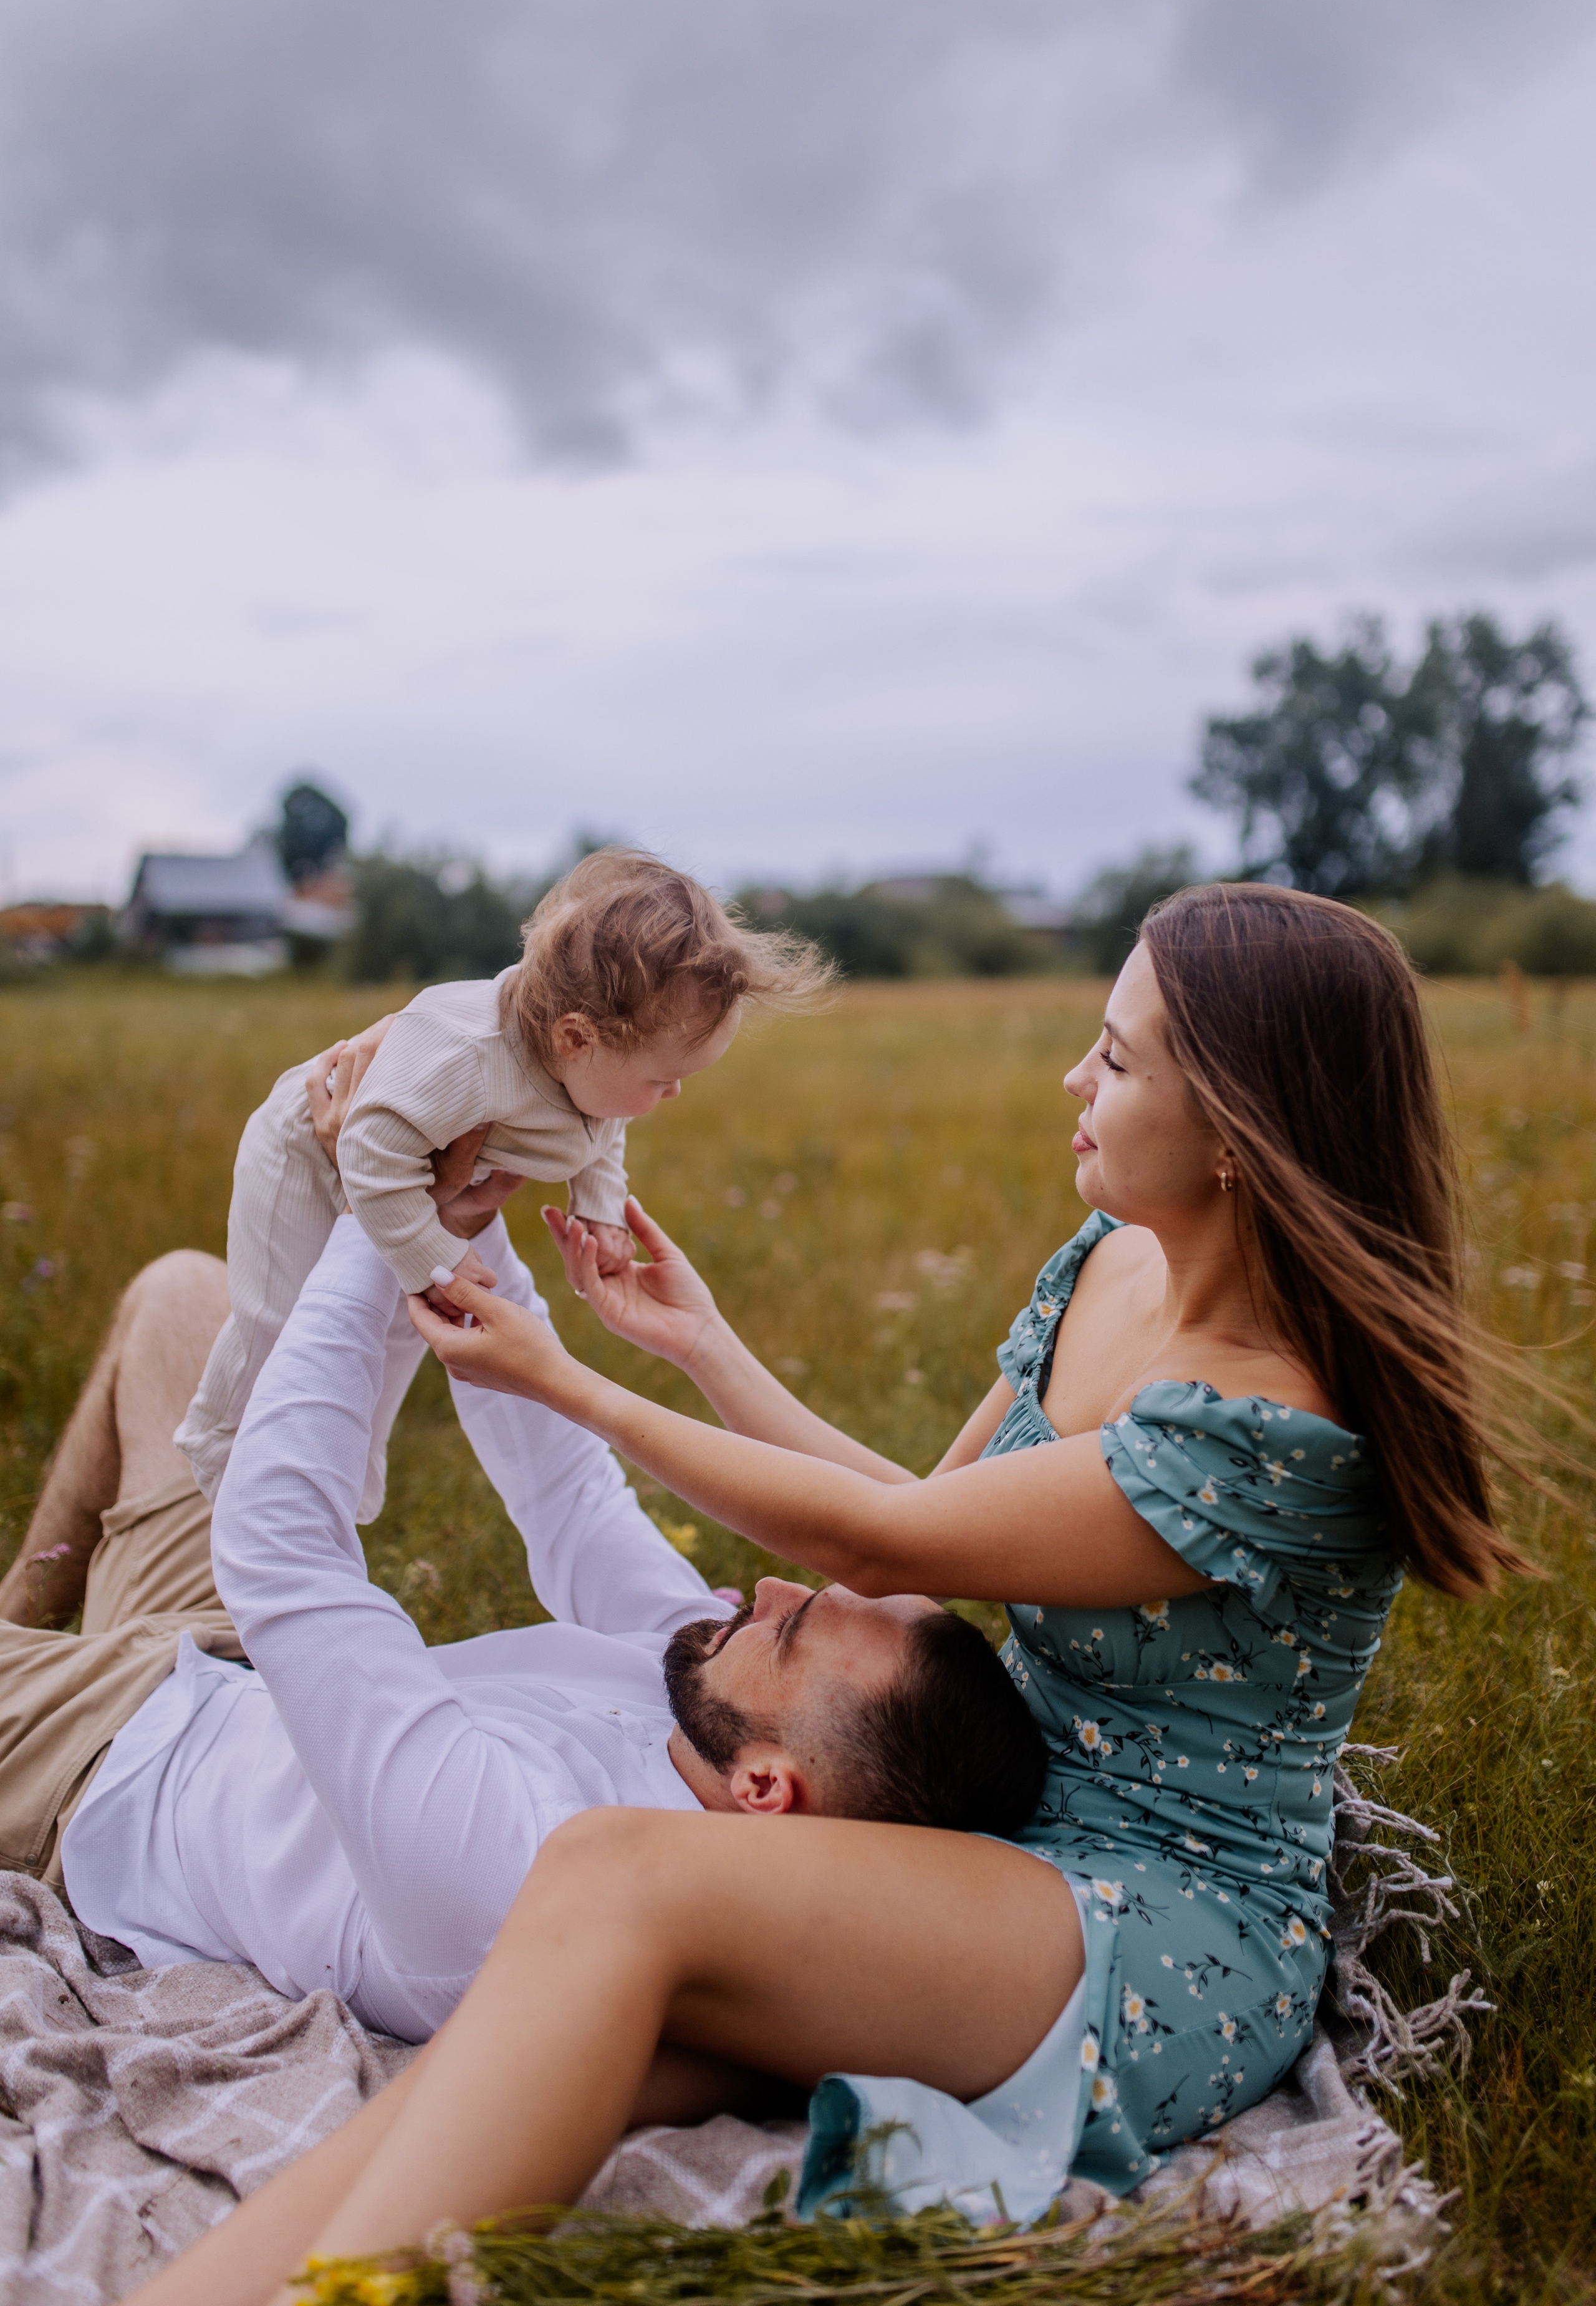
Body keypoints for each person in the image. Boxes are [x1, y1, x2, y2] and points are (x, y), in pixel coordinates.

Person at [133, 884, 1531, 2306]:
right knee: (539, 2038)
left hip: (1155, 1916)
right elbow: (923, 1527)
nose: (1072, 1077)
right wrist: (700, 1343)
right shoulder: (1108, 1267)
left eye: (1113, 1058)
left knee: (615, 1874)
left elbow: (870, 1547)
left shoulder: (1259, 1429)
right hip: (999, 1820)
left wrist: (568, 1382)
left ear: (1239, 1126)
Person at [0, 1061, 1040, 2055]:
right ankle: (28, 1607)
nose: (766, 1588)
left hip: (109, 1773)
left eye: (794, 1627)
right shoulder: (707, 1698)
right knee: (184, 1297)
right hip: (225, 1669)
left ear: (771, 1788)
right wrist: (465, 1191)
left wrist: (381, 1208)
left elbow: (285, 1553)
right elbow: (573, 1502)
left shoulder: (522, 1881)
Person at [174, 849, 827, 1521]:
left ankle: (333, 1476)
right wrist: (436, 1254)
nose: (675, 1093)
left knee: (387, 1334)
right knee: (278, 1318)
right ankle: (222, 1440)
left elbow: (602, 1128)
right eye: (661, 1079)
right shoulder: (469, 1055)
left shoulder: (590, 1070)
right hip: (309, 1151)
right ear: (576, 1038)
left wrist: (598, 1206)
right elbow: (365, 1149)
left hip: (404, 1171)